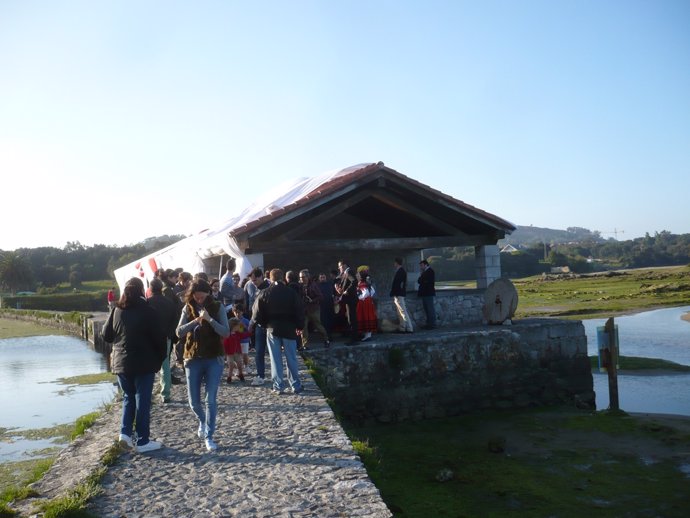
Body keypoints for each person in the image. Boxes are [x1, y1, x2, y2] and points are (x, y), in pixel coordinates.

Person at [101, 277, 166, 453]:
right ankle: (143, 440)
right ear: (142, 291)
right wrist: (160, 359)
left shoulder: (116, 310)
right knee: (142, 400)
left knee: (128, 398)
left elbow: (105, 335)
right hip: (144, 363)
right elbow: (159, 339)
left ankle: (125, 435)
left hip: (121, 363)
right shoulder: (149, 311)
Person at [176, 279, 230, 452]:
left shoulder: (217, 307)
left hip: (214, 357)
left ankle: (209, 436)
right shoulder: (187, 307)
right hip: (192, 358)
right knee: (193, 402)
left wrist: (209, 320)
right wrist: (194, 322)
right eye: (196, 297)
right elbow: (178, 332)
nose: (198, 300)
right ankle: (203, 421)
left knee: (210, 400)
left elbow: (226, 332)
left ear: (208, 294)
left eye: (201, 297)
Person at [251, 268, 305, 395]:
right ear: (283, 278)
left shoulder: (264, 293)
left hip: (272, 328)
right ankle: (295, 385)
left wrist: (264, 325)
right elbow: (299, 310)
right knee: (291, 357)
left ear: (270, 278)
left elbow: (256, 314)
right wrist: (300, 326)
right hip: (289, 328)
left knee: (275, 359)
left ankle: (278, 386)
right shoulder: (291, 293)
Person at [147, 278, 178, 403]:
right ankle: (166, 394)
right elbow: (175, 321)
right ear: (161, 288)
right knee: (165, 366)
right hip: (165, 338)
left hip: (149, 339)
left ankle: (147, 394)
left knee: (148, 367)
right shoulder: (169, 302)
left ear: (150, 288)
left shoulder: (147, 303)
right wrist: (169, 335)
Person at [248, 268, 271, 386]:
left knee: (270, 352)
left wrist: (252, 322)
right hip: (259, 324)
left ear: (261, 276)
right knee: (259, 352)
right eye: (252, 280)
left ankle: (271, 376)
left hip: (267, 325)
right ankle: (260, 375)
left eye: (255, 280)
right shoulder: (257, 289)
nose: (253, 282)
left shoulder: (267, 289)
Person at [299, 269, 330, 348]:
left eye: (303, 277)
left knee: (318, 325)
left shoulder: (313, 285)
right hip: (305, 309)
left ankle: (326, 339)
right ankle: (304, 345)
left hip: (314, 309)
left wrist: (312, 300)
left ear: (307, 277)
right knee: (304, 327)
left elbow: (320, 296)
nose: (302, 279)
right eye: (300, 277)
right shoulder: (300, 285)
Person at [335, 259, 359, 344]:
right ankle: (354, 338)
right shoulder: (346, 273)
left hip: (351, 299)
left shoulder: (348, 272)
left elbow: (354, 281)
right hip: (349, 299)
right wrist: (340, 288)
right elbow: (347, 283)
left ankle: (354, 339)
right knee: (351, 318)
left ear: (344, 265)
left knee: (351, 319)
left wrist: (347, 291)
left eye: (340, 266)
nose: (339, 268)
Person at [223, 316, 250, 383]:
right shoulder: (227, 334)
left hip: (237, 352)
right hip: (230, 353)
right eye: (238, 326)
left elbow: (245, 334)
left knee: (240, 363)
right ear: (234, 326)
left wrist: (245, 328)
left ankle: (241, 374)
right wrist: (225, 353)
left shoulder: (238, 333)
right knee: (231, 365)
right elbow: (224, 344)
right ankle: (229, 377)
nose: (239, 327)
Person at [390, 257, 414, 333]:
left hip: (399, 294)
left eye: (395, 263)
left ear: (397, 263)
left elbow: (398, 284)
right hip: (398, 293)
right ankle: (402, 327)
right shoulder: (400, 271)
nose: (394, 264)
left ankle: (409, 328)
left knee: (403, 311)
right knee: (400, 311)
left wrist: (395, 293)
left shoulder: (401, 271)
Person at [356, 266, 378, 342]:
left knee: (366, 316)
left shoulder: (363, 283)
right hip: (365, 302)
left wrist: (359, 297)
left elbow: (366, 293)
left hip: (365, 302)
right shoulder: (363, 283)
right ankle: (366, 334)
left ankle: (368, 335)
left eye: (358, 275)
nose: (357, 276)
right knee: (365, 317)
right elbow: (372, 292)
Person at [418, 259, 437, 329]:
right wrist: (423, 280)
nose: (421, 267)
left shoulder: (430, 271)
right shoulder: (424, 272)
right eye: (420, 266)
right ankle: (429, 324)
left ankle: (432, 324)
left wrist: (423, 280)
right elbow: (419, 280)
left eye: (422, 265)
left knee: (430, 309)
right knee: (427, 309)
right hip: (425, 293)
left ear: (426, 265)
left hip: (428, 293)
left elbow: (428, 282)